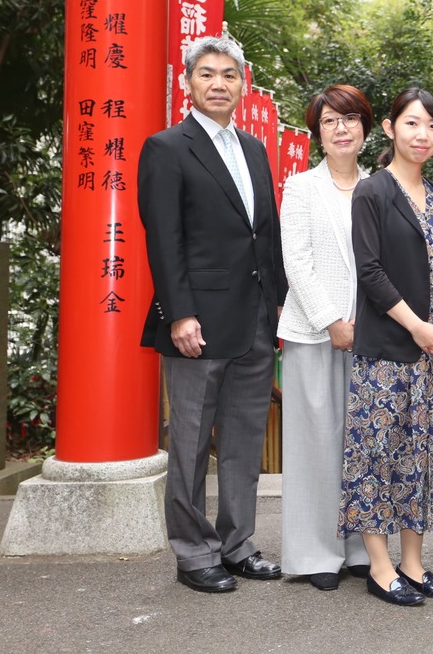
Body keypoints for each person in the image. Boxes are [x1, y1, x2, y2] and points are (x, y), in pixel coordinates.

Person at [137, 35, 288, 593]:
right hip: (196, 321)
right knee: (191, 442)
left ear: (242, 84)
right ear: (187, 82)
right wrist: (179, 314)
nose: (218, 84)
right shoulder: (166, 148)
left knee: (245, 440)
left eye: (229, 74)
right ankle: (193, 552)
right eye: (207, 74)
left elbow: (264, 235)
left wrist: (278, 306)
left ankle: (237, 544)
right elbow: (164, 238)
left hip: (255, 319)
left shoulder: (253, 149)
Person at [339, 87, 433, 607]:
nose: (423, 135)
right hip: (388, 352)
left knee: (424, 457)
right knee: (378, 456)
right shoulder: (372, 192)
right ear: (391, 129)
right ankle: (380, 567)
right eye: (412, 123)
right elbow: (369, 271)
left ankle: (413, 564)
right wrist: (416, 326)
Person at [276, 85, 373, 591]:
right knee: (314, 442)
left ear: (365, 128)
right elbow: (297, 262)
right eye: (330, 120)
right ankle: (315, 553)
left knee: (361, 441)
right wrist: (332, 320)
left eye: (350, 119)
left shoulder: (380, 187)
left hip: (373, 335)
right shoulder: (301, 187)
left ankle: (359, 549)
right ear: (317, 132)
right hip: (314, 332)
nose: (341, 128)